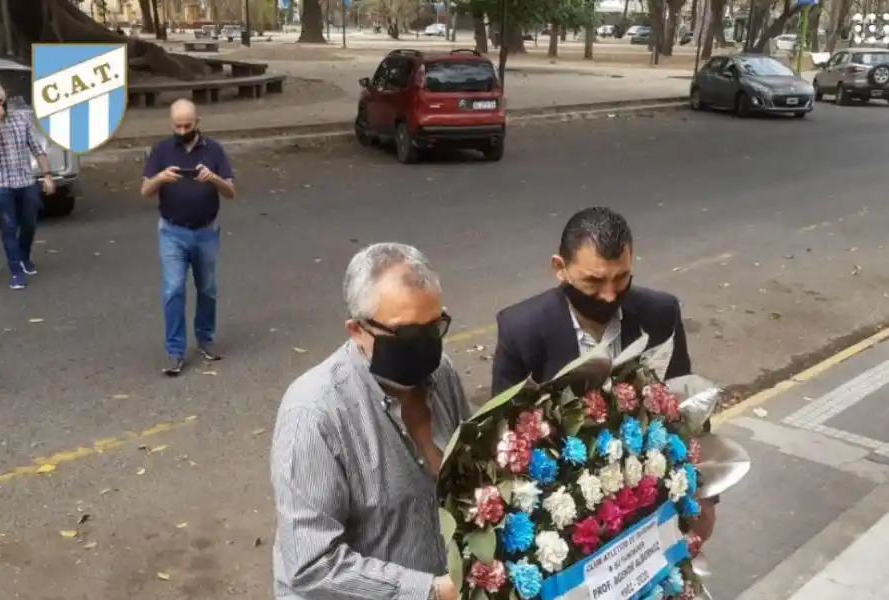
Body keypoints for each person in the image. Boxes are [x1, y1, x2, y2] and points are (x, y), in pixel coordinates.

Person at [490, 206, 717, 543]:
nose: (609, 295)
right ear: (560, 268)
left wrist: (704, 497)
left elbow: (685, 408)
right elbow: (503, 438)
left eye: (621, 278)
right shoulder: (522, 330)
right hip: (569, 517)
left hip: (648, 503)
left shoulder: (660, 314)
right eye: (593, 282)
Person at [271, 242, 467, 600]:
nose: (424, 346)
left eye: (433, 328)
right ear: (356, 329)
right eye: (406, 334)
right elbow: (312, 566)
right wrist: (431, 593)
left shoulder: (442, 374)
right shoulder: (314, 414)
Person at [140, 99, 235, 376]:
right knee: (173, 290)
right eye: (177, 126)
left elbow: (230, 191)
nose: (182, 130)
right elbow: (145, 190)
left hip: (206, 231)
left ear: (198, 123)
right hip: (172, 231)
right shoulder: (161, 149)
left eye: (188, 125)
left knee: (207, 289)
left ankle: (205, 339)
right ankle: (175, 352)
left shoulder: (214, 150)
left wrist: (213, 179)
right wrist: (160, 178)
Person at [0, 80, 55, 290]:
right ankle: (16, 271)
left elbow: (36, 147)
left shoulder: (21, 119)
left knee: (29, 223)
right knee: (8, 226)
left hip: (26, 180)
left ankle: (24, 255)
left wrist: (47, 175)